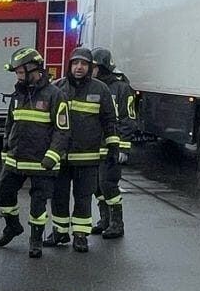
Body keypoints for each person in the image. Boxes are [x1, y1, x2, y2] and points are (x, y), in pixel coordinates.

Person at [0, 47, 69, 258]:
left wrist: (52, 156)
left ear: (32, 69)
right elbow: (10, 124)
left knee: (38, 203)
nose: (18, 76)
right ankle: (12, 226)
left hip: (42, 162)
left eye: (20, 72)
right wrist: (6, 148)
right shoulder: (18, 94)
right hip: (16, 159)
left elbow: (62, 130)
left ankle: (35, 240)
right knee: (5, 194)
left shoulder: (55, 95)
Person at [46, 47, 119, 253]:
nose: (79, 67)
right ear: (70, 65)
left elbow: (109, 120)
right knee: (59, 197)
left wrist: (113, 147)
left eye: (84, 64)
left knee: (83, 197)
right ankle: (60, 232)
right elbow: (49, 122)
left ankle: (80, 235)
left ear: (90, 67)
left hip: (87, 157)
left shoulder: (100, 89)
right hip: (60, 156)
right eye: (76, 63)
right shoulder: (58, 87)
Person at [93, 47, 138, 239]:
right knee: (97, 186)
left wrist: (123, 147)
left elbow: (128, 119)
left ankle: (117, 224)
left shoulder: (122, 89)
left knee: (108, 183)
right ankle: (104, 220)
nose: (90, 69)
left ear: (103, 67)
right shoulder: (92, 87)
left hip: (112, 146)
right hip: (94, 146)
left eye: (94, 66)